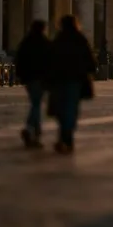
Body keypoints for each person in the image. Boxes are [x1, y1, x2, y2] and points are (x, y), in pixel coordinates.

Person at [48, 15, 97, 154]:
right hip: (75, 79)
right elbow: (89, 59)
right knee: (71, 107)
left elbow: (50, 60)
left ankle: (63, 132)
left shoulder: (58, 39)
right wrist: (91, 69)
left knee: (60, 107)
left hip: (59, 79)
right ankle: (68, 133)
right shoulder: (80, 39)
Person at [16, 20, 52, 149]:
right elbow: (50, 61)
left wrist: (21, 76)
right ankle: (30, 128)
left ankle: (35, 132)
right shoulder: (45, 43)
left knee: (35, 103)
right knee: (36, 104)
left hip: (29, 78)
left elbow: (18, 59)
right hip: (40, 78)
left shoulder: (26, 42)